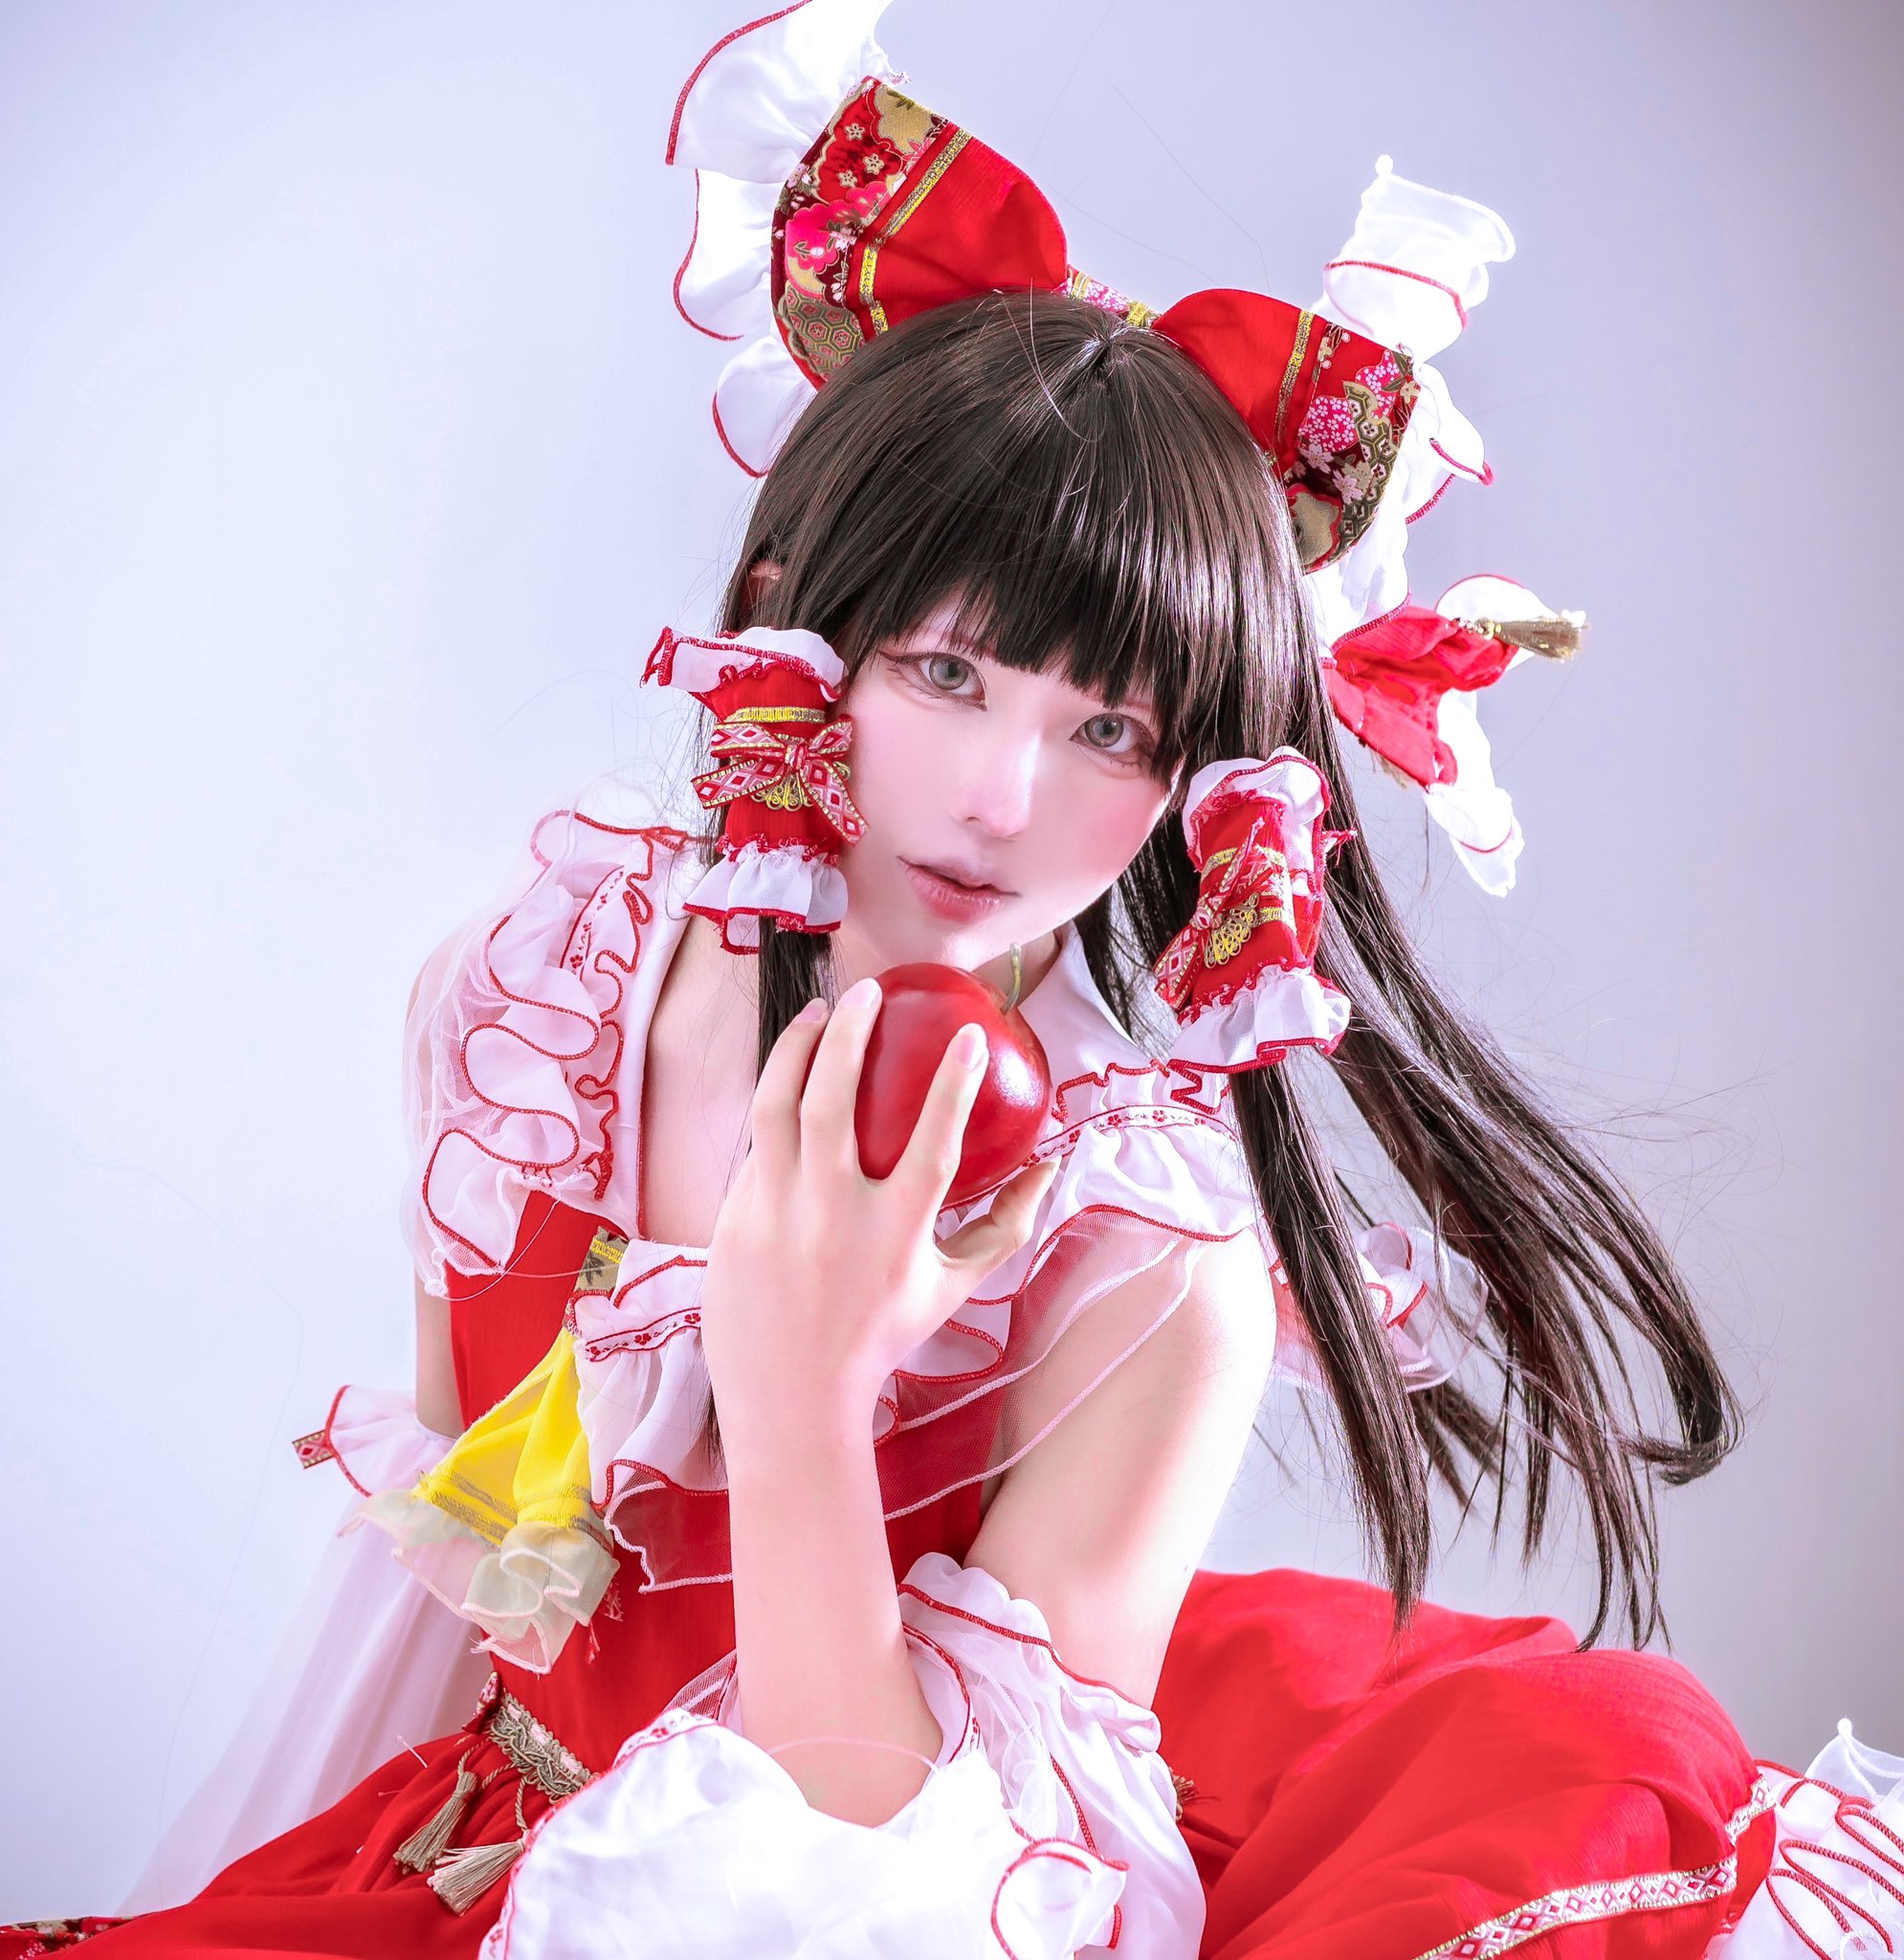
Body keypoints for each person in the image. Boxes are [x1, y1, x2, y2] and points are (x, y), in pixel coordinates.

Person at [9, 6, 1900, 1957]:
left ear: (1209, 784)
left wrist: (804, 1393)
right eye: (942, 671)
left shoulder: (1144, 1263)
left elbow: (909, 1901)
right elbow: (450, 1596)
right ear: (787, 624)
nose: (1002, 799)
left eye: (1112, 729)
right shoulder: (536, 997)